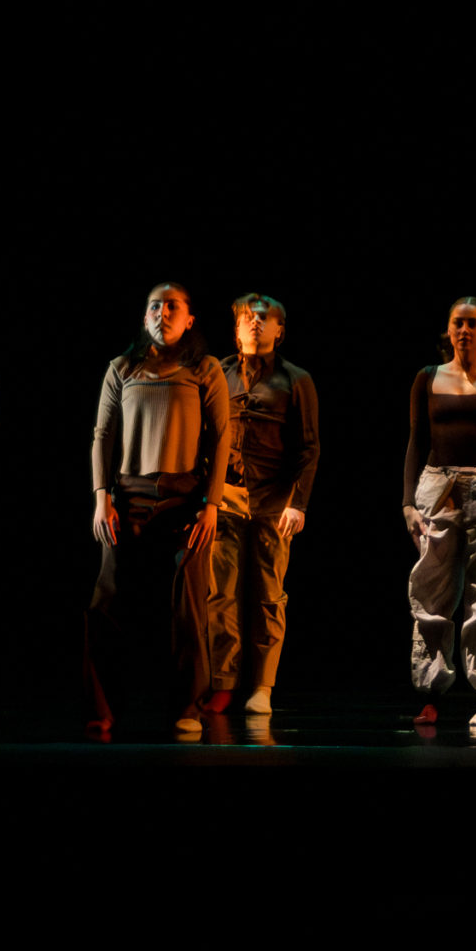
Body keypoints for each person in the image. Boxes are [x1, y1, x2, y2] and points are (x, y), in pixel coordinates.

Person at [87, 282, 231, 735]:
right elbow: (102, 436)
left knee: (188, 602)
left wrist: (211, 503)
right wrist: (101, 497)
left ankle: (187, 705)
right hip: (128, 494)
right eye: (155, 306)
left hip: (184, 496)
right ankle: (103, 706)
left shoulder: (204, 368)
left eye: (173, 306)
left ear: (190, 319)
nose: (162, 313)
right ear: (143, 316)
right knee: (107, 600)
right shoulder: (122, 368)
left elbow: (220, 437)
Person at [404, 296, 476, 729]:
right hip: (437, 486)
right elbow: (416, 441)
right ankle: (431, 692)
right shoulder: (427, 378)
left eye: (473, 323)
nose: (465, 330)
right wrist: (406, 502)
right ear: (448, 329)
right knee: (431, 592)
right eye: (458, 323)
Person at [203, 293, 320, 717]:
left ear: (279, 330)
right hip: (226, 499)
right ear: (235, 329)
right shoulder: (217, 372)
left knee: (269, 595)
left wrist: (298, 504)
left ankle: (262, 685)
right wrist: (206, 499)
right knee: (221, 593)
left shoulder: (295, 379)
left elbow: (309, 447)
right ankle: (223, 682)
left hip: (274, 500)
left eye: (264, 318)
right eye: (246, 319)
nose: (255, 323)